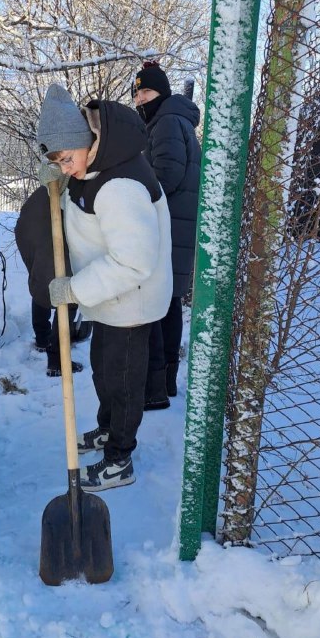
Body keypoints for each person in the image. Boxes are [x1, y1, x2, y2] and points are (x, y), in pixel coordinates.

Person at [36, 83, 172, 491]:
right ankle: (107, 430)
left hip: (130, 301)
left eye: (67, 159)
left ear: (87, 140)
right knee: (105, 373)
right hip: (109, 299)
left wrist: (74, 290)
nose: (66, 168)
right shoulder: (95, 164)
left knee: (124, 382)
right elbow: (82, 211)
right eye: (57, 161)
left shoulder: (120, 186)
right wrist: (58, 185)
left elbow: (132, 262)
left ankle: (120, 459)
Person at [132, 60, 201, 406]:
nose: (140, 99)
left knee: (160, 305)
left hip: (170, 230)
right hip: (175, 227)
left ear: (162, 93)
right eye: (137, 92)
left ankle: (157, 388)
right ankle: (165, 383)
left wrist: (129, 193)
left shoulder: (168, 123)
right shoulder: (171, 121)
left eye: (146, 91)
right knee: (168, 303)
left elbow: (165, 177)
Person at [14, 185, 86, 377]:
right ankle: (58, 361)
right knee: (68, 296)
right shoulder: (73, 190)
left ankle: (42, 338)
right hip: (52, 242)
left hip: (35, 242)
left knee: (42, 285)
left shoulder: (44, 190)